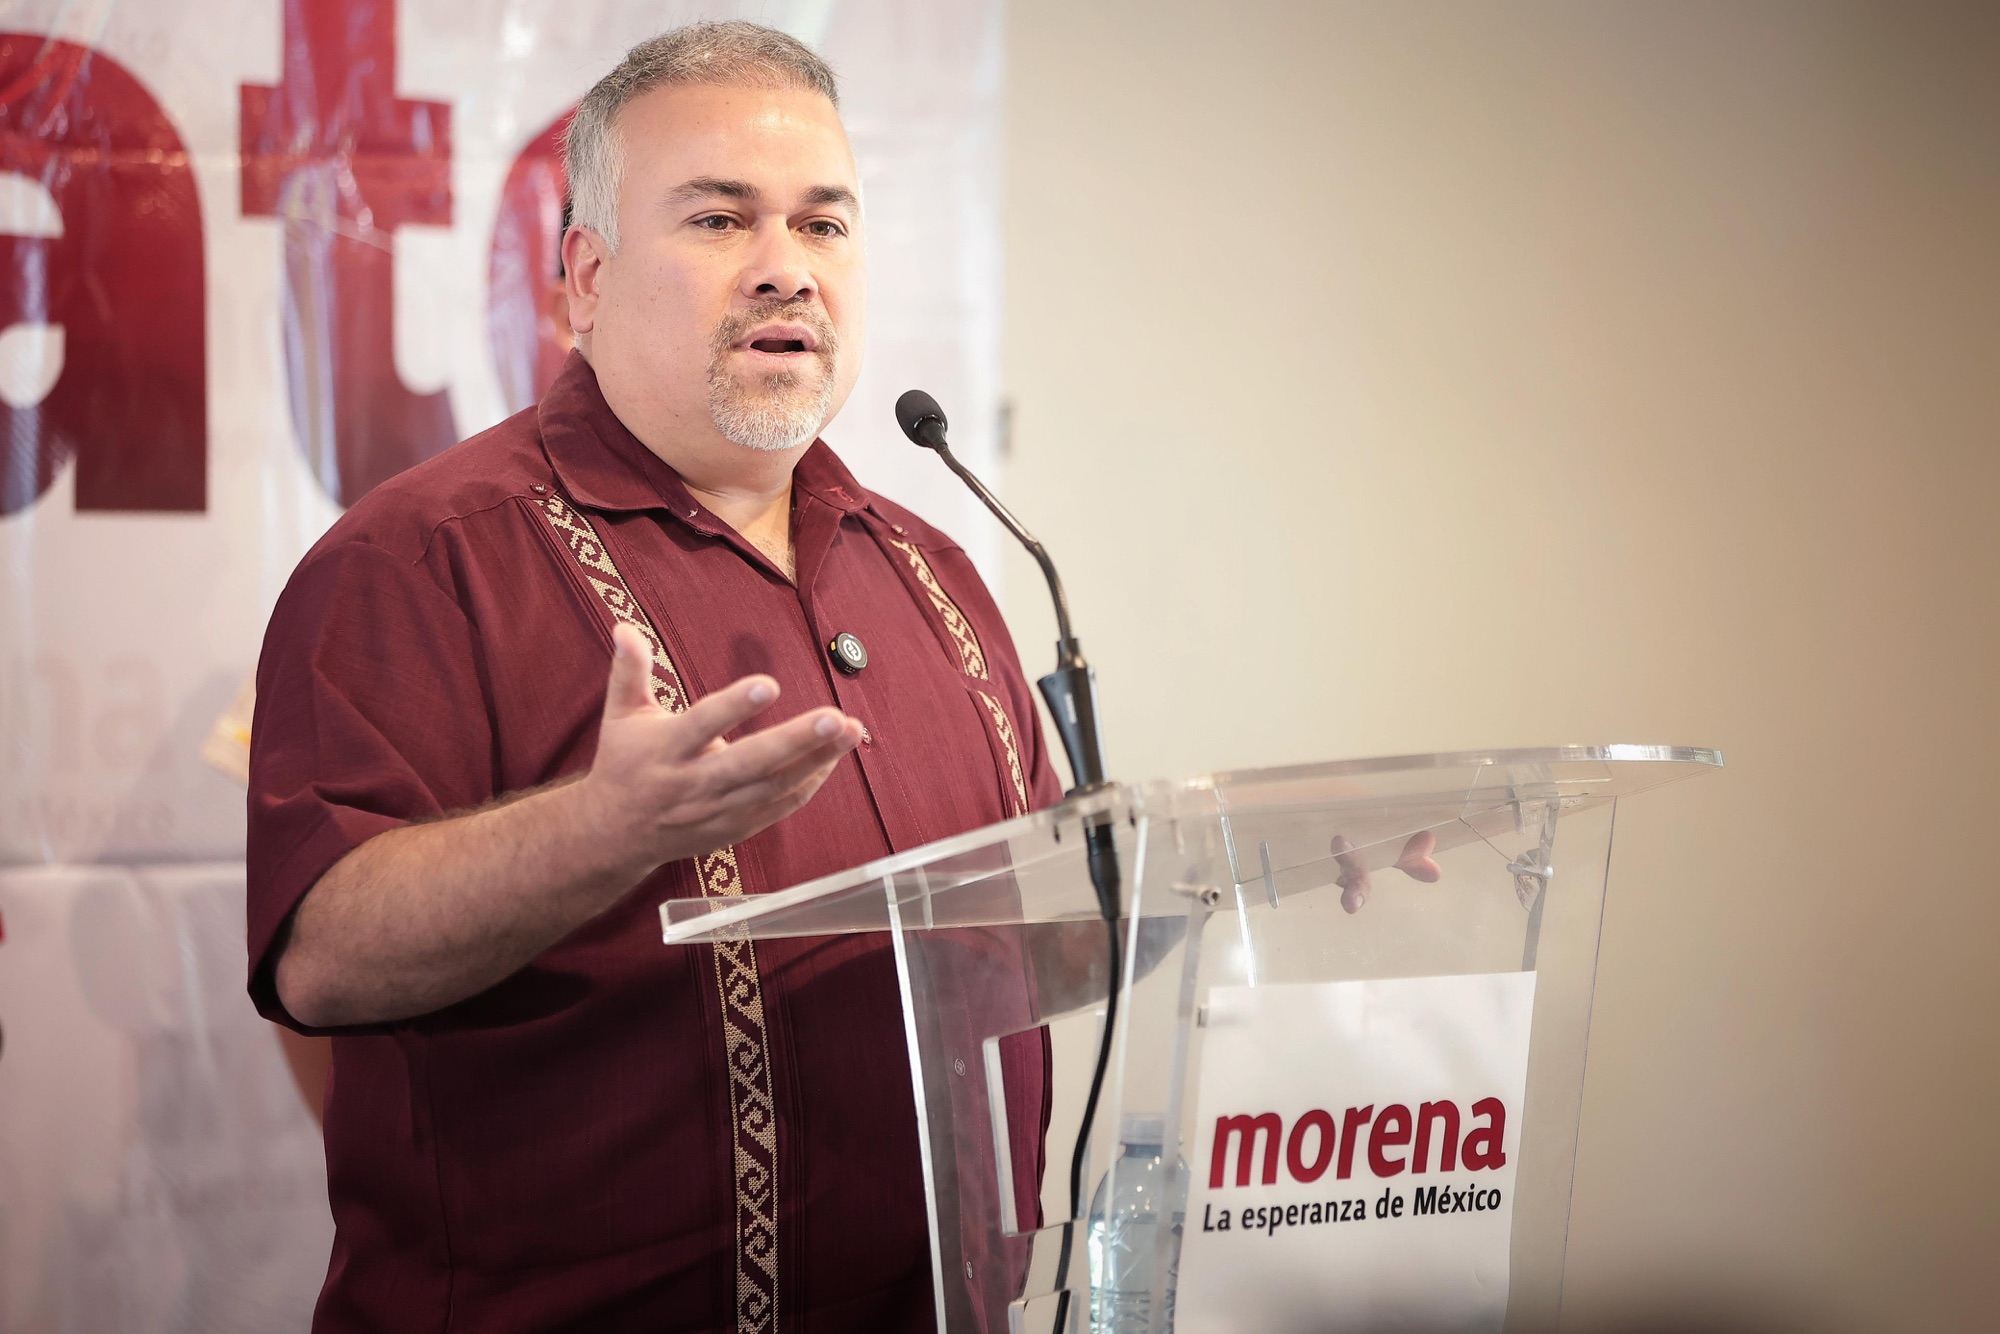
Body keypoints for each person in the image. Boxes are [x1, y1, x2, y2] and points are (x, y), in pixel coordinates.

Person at [246, 22, 1059, 1332]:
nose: (787, 267)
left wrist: (1273, 877)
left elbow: (1048, 921)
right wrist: (602, 830)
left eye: (824, 224)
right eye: (722, 220)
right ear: (585, 278)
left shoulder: (936, 572)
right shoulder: (420, 561)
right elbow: (320, 961)